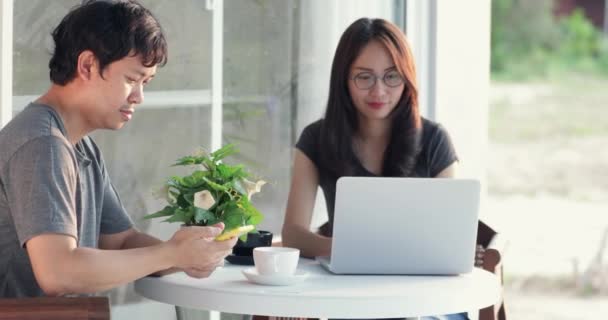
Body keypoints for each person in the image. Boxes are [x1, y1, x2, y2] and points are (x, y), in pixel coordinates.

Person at [0, 0, 237, 298]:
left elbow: (122, 241)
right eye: (131, 79)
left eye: (146, 83)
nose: (139, 97)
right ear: (87, 65)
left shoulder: (79, 145)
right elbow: (58, 272)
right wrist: (172, 255)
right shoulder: (41, 143)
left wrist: (191, 254)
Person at [281, 18, 478, 320]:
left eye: (391, 77)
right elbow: (293, 234)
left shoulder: (434, 140)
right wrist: (347, 252)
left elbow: (450, 239)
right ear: (344, 79)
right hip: (353, 300)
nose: (379, 91)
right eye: (364, 77)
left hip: (427, 302)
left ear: (407, 78)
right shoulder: (316, 139)